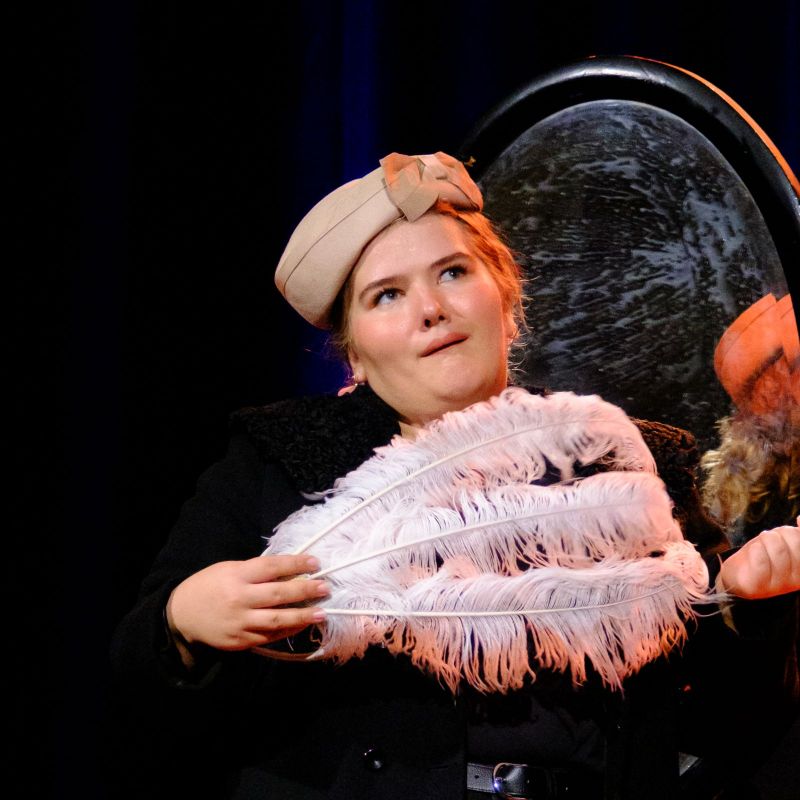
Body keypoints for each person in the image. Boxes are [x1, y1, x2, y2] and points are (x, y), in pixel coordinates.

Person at [111, 152, 800, 800]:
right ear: (353, 349)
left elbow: (729, 731)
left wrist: (747, 609)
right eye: (385, 296)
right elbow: (137, 685)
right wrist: (184, 623)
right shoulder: (281, 462)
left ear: (505, 292)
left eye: (453, 273)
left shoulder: (635, 468)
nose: (430, 309)